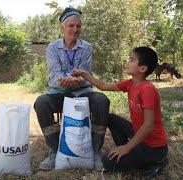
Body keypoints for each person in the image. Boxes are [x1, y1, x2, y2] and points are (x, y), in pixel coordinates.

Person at [72, 46, 168, 178]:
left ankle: (157, 160)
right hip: (138, 135)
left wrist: (127, 148)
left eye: (132, 60)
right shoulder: (130, 84)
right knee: (110, 118)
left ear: (142, 69)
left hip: (153, 146)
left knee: (107, 162)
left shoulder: (147, 89)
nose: (128, 62)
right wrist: (84, 74)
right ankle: (129, 151)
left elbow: (148, 125)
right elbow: (103, 86)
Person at [34, 7, 110, 171]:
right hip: (59, 93)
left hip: (82, 92)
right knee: (41, 103)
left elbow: (85, 73)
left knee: (101, 101)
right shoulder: (53, 48)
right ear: (62, 27)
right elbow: (53, 75)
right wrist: (63, 81)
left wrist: (77, 80)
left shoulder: (86, 47)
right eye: (71, 26)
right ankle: (54, 150)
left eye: (78, 26)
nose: (75, 29)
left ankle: (96, 151)